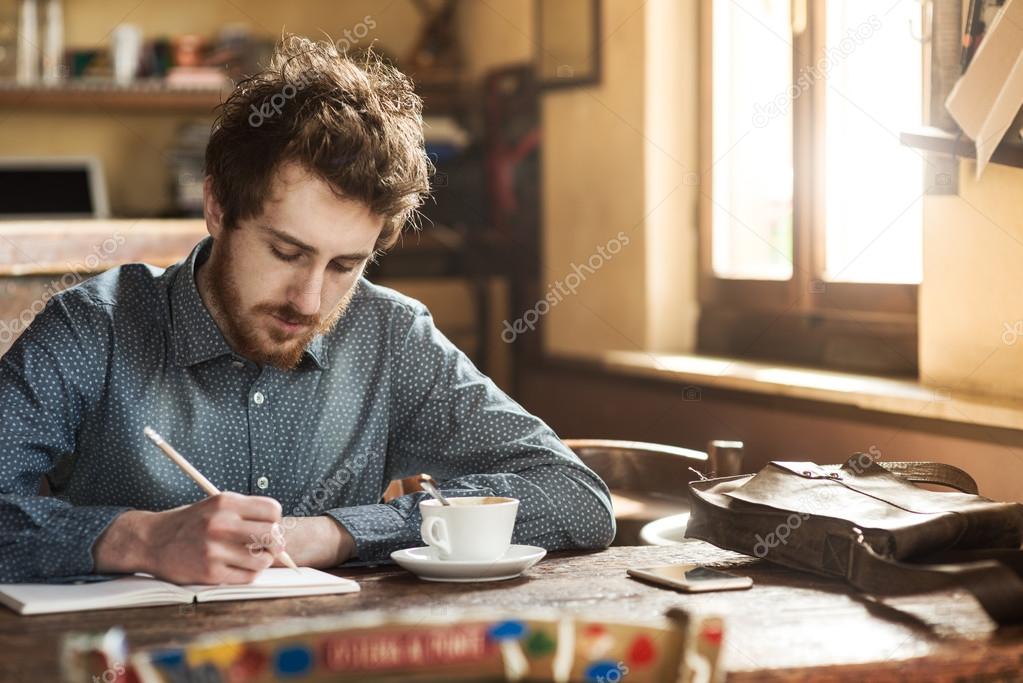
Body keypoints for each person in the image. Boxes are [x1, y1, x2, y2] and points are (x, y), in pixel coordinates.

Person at [0, 36, 614, 584]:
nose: (311, 300)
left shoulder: (390, 337)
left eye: (346, 265)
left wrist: (334, 533)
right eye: (286, 252)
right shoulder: (93, 329)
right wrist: (141, 539)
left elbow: (576, 497)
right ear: (217, 207)